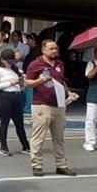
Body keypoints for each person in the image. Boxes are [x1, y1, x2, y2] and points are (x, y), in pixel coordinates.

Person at [25, 39, 78, 177]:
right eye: (51, 49)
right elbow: (28, 82)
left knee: (59, 138)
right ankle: (36, 165)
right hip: (42, 105)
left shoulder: (60, 64)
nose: (54, 51)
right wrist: (39, 81)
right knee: (38, 137)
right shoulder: (35, 64)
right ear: (43, 50)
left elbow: (61, 82)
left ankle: (61, 165)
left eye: (55, 48)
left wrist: (69, 93)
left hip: (59, 105)